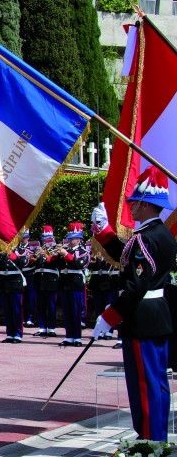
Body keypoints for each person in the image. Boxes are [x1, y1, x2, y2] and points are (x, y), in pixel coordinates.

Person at [92, 168, 177, 440]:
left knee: (145, 384)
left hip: (141, 318)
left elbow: (135, 285)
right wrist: (103, 231)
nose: (130, 206)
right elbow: (126, 258)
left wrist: (109, 316)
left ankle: (150, 442)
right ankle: (157, 435)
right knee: (157, 382)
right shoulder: (158, 234)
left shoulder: (146, 238)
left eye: (134, 202)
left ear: (144, 204)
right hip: (155, 316)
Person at [58, 223, 88, 347]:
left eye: (72, 239)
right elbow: (58, 266)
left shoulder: (83, 251)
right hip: (65, 283)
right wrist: (56, 256)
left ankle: (77, 337)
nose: (70, 241)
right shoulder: (67, 250)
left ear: (78, 239)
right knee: (67, 311)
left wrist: (65, 254)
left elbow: (78, 264)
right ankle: (69, 336)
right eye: (69, 238)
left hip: (75, 283)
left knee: (76, 311)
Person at [0, 246, 26, 344]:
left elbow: (23, 263)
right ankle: (10, 334)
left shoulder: (21, 251)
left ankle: (17, 334)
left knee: (16, 311)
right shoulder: (1, 253)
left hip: (15, 284)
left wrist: (12, 255)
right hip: (3, 284)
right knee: (7, 311)